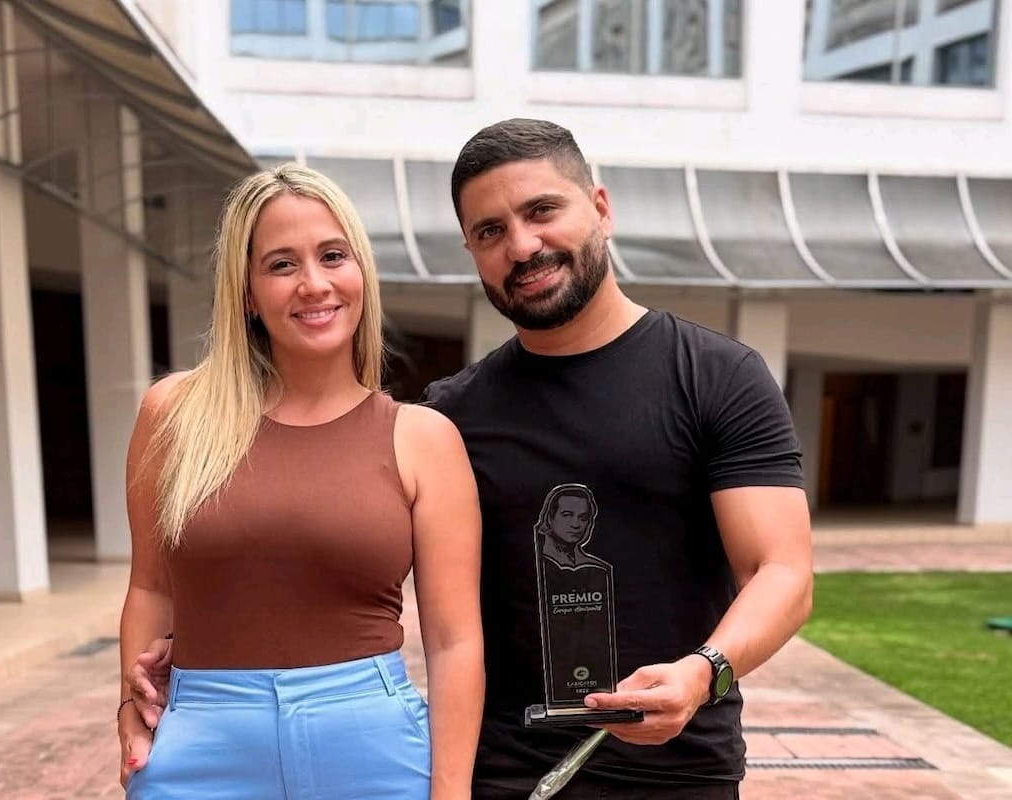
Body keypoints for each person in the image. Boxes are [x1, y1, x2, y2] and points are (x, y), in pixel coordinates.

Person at [126, 120, 813, 799]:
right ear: (471, 251)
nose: (522, 244)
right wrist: (192, 657)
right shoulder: (450, 415)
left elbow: (782, 572)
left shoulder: (716, 376)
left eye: (542, 210)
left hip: (676, 771)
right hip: (506, 773)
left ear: (600, 208)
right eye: (490, 231)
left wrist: (705, 671)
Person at [116, 163, 484, 800]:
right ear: (248, 293)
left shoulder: (423, 438)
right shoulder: (172, 415)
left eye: (332, 255)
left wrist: (449, 793)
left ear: (360, 271)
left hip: (372, 745)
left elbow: (454, 642)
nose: (314, 284)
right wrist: (131, 709)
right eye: (282, 264)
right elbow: (150, 586)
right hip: (201, 741)